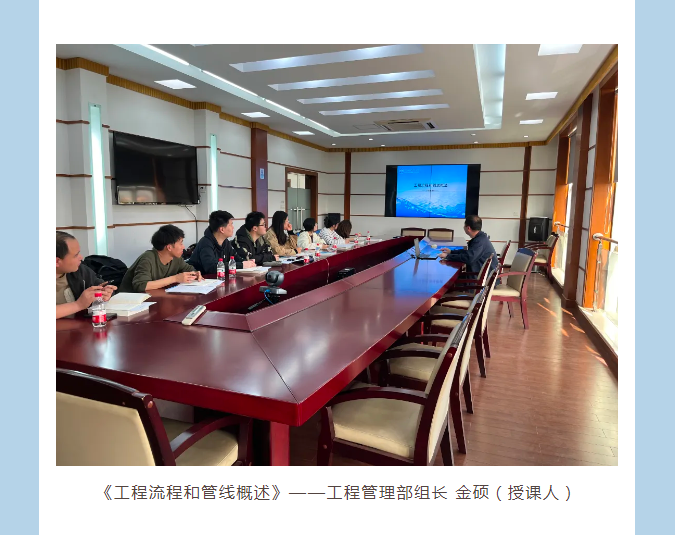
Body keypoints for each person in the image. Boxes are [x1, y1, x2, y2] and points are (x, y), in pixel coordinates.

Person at [119, 224, 204, 292]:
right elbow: (141, 286)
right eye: (181, 243)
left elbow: (189, 269)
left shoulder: (176, 258)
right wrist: (175, 278)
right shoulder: (148, 259)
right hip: (129, 302)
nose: (183, 247)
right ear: (169, 247)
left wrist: (194, 274)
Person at [56, 231, 116, 319]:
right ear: (57, 261)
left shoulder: (79, 270)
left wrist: (105, 293)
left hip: (80, 326)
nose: (81, 257)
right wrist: (78, 305)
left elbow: (99, 284)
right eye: (76, 255)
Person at [188, 211, 256, 274]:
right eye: (231, 225)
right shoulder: (206, 243)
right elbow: (211, 267)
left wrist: (247, 262)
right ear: (222, 229)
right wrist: (241, 265)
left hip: (219, 278)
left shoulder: (225, 242)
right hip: (202, 279)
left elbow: (235, 258)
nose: (233, 227)